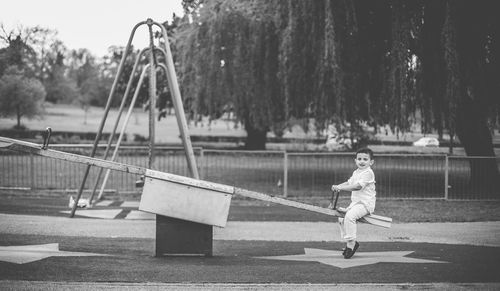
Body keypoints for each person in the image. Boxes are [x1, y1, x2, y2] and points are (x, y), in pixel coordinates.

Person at [330, 147, 376, 259]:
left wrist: (342, 188)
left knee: (350, 216)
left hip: (365, 204)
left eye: (365, 159)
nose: (362, 161)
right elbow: (349, 182)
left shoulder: (368, 173)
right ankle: (349, 242)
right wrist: (338, 186)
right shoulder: (356, 172)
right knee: (341, 218)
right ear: (355, 160)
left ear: (371, 162)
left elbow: (357, 187)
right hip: (356, 204)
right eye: (359, 158)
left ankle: (351, 243)